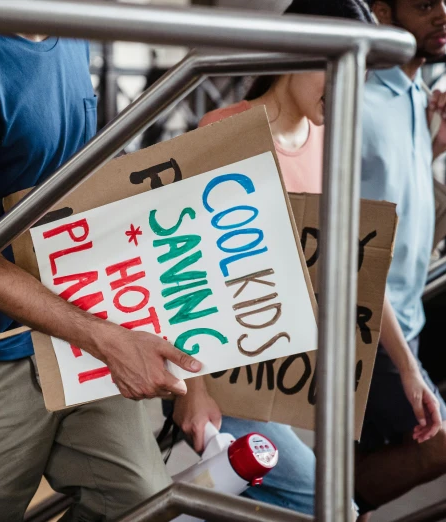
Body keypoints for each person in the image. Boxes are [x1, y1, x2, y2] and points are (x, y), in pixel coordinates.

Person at [0, 30, 203, 522]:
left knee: (142, 505)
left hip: (67, 324)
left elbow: (76, 185)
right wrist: (107, 340)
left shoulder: (71, 36)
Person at [171, 0, 376, 516]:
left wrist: (409, 370)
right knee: (336, 511)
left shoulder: (331, 139)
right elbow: (188, 267)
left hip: (281, 380)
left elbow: (355, 265)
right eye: (340, 68)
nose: (352, 89)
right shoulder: (228, 129)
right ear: (297, 51)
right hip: (225, 383)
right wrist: (194, 390)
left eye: (362, 75)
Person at [355, 1, 446, 518]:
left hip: (406, 315)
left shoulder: (417, 94)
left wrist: (436, 147)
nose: (441, 14)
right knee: (437, 444)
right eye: (423, 4)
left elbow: (391, 193)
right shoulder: (356, 101)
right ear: (384, 12)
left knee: (364, 453)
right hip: (367, 318)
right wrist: (407, 365)